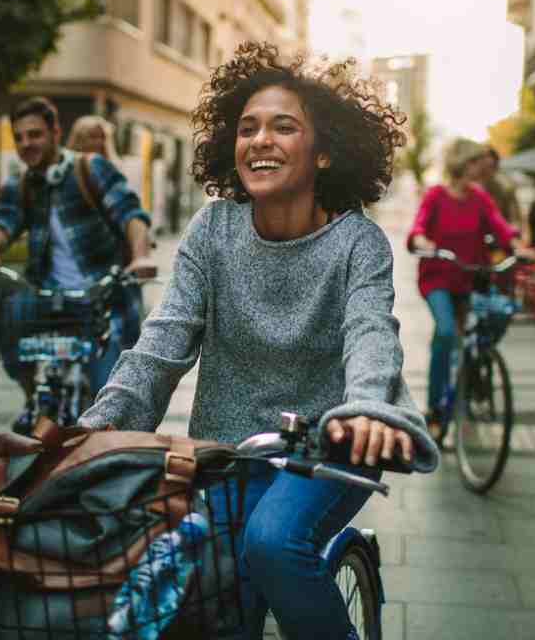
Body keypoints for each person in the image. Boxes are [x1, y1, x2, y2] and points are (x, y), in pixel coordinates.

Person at [77, 42, 440, 640]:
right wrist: (95, 431)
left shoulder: (358, 243)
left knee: (272, 542)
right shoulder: (213, 228)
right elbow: (162, 343)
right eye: (247, 128)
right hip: (228, 449)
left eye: (283, 127)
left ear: (323, 153)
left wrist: (368, 409)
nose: (260, 140)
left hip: (329, 444)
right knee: (215, 604)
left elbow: (371, 334)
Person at [0, 97, 156, 410]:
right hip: (50, 296)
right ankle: (33, 400)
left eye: (35, 134)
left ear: (56, 132)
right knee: (10, 315)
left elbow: (130, 214)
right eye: (19, 137)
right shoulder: (22, 184)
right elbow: (3, 220)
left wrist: (141, 256)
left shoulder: (90, 168)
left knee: (105, 398)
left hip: (102, 299)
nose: (27, 143)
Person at [407, 142, 523, 438]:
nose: (482, 168)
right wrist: (422, 241)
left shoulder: (480, 198)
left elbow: (500, 228)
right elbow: (418, 228)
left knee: (487, 325)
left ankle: (470, 381)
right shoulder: (436, 196)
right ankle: (434, 409)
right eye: (476, 162)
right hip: (438, 279)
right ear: (464, 164)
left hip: (470, 278)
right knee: (445, 332)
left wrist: (518, 245)